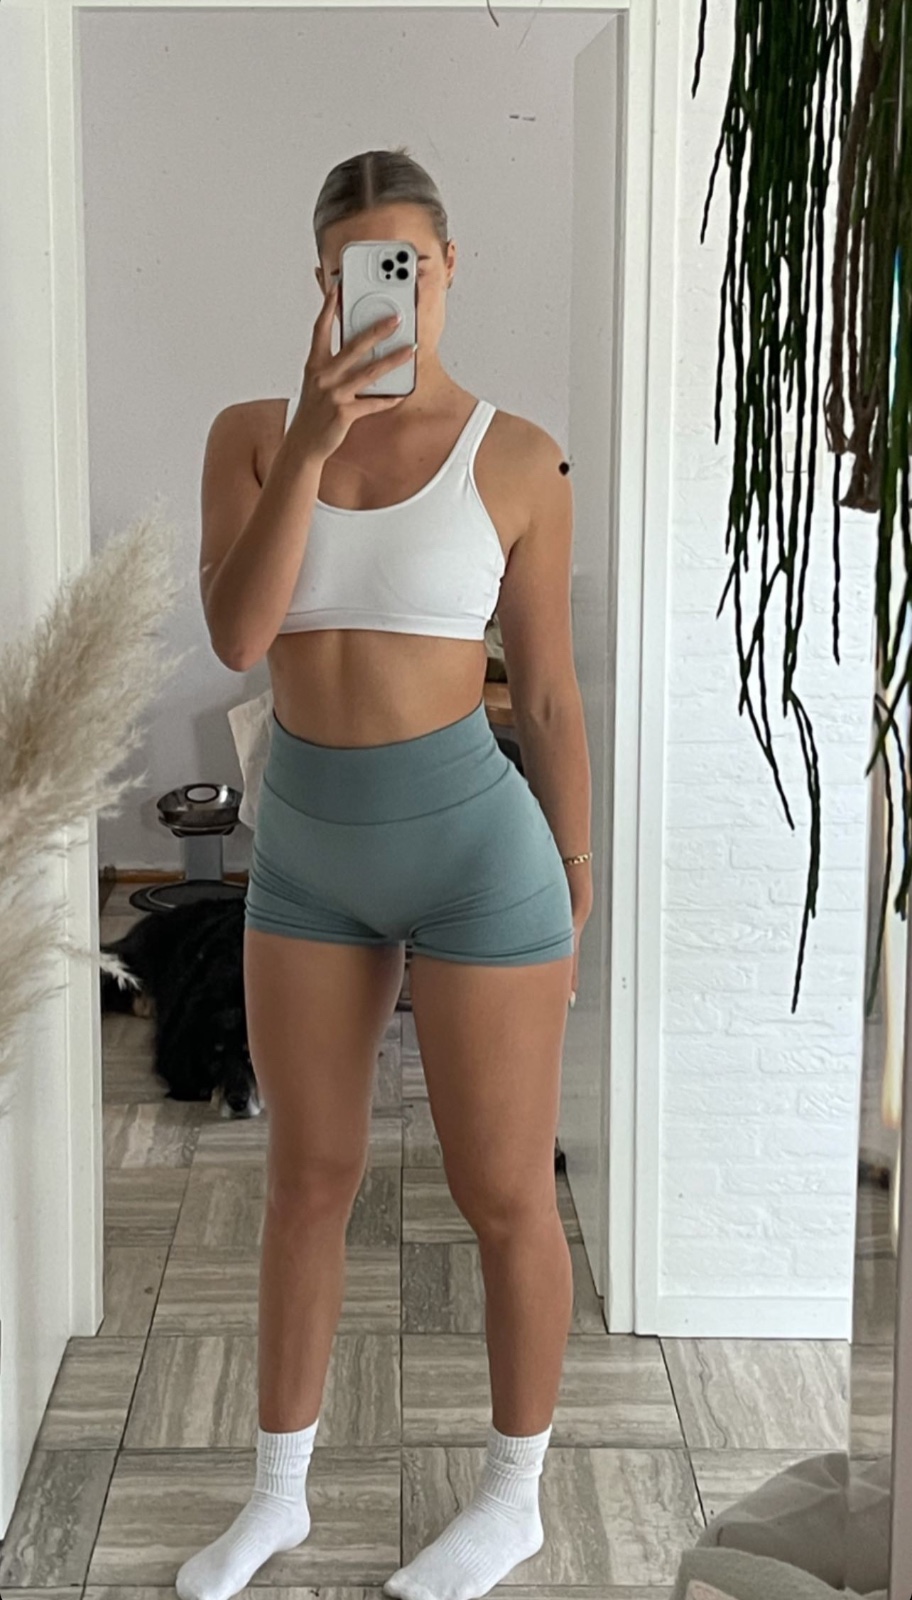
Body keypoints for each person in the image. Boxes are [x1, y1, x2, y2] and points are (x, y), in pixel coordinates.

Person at [179, 146, 594, 1600]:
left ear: (449, 267)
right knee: (307, 1179)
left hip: (479, 855)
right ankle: (277, 1499)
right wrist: (311, 438)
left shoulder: (518, 455)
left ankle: (513, 1503)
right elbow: (240, 635)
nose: (389, 293)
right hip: (307, 860)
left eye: (410, 264)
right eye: (360, 268)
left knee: (502, 1193)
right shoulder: (251, 436)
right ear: (322, 282)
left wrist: (577, 861)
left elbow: (548, 694)